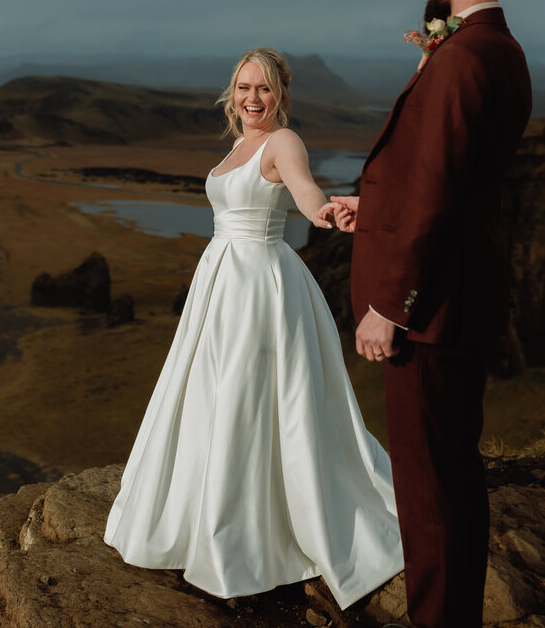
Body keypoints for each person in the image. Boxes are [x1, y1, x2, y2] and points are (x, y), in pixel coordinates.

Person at [104, 47, 404, 609]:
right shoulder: (239, 144)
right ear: (231, 93)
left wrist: (327, 212)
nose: (252, 99)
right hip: (220, 282)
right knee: (212, 393)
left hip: (259, 284)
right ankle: (206, 513)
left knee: (251, 396)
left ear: (280, 94)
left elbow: (305, 193)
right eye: (243, 88)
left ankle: (245, 533)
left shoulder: (282, 142)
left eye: (263, 88)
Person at [325, 0, 532, 628]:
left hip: (431, 311)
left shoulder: (464, 60)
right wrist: (371, 204)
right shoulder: (501, 50)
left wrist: (392, 304)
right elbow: (438, 179)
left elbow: (437, 190)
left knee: (428, 490)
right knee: (452, 474)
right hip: (463, 298)